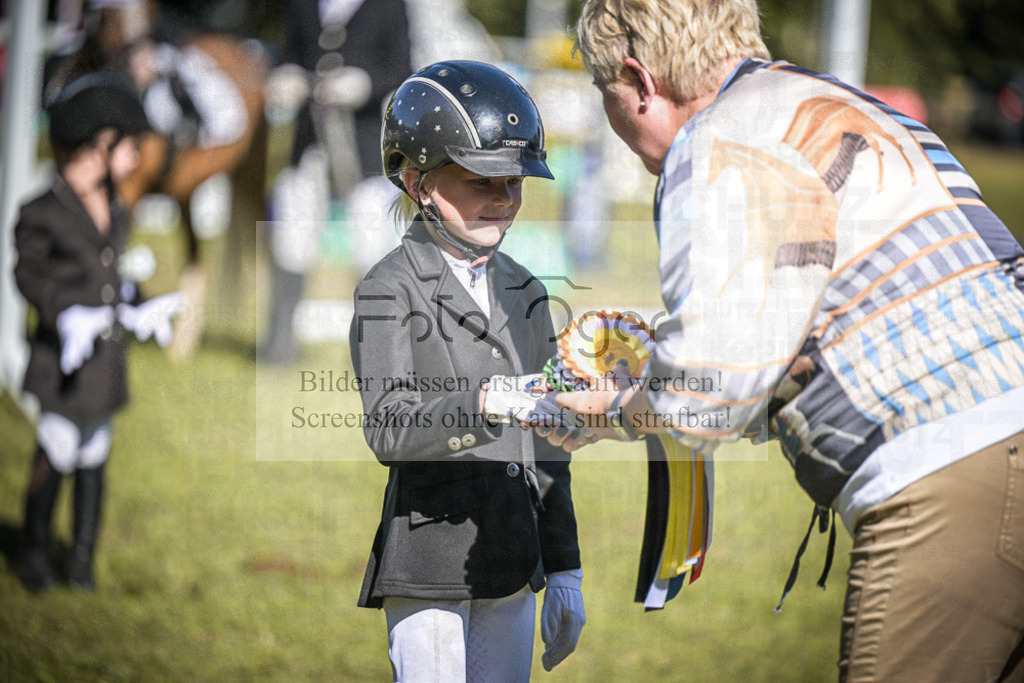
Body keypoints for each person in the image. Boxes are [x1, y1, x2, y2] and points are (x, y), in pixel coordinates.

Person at [545, 1, 1024, 680]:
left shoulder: (717, 139)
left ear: (640, 80)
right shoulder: (848, 105)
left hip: (944, 472)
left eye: (606, 93)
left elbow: (707, 388)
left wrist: (617, 411)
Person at [350, 60, 585, 681]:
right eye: (483, 180)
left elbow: (548, 444)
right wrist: (485, 402)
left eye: (516, 182)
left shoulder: (528, 289)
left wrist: (564, 566)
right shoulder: (388, 287)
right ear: (418, 181)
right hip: (429, 561)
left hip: (511, 559)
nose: (505, 199)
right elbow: (390, 429)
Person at [15, 71, 185, 591]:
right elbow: (29, 274)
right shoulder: (41, 211)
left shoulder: (113, 206)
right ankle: (35, 552)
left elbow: (115, 278)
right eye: (128, 146)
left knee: (95, 457)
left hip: (105, 362)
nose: (134, 158)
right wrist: (65, 312)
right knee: (58, 449)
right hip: (63, 363)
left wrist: (141, 304)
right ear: (98, 144)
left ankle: (82, 560)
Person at [258, 0, 412, 364]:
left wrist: (365, 82)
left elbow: (402, 67)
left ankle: (376, 352)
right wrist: (287, 74)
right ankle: (279, 342)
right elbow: (288, 52)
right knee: (292, 236)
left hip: (362, 143)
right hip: (308, 139)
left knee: (371, 242)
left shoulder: (390, 5)